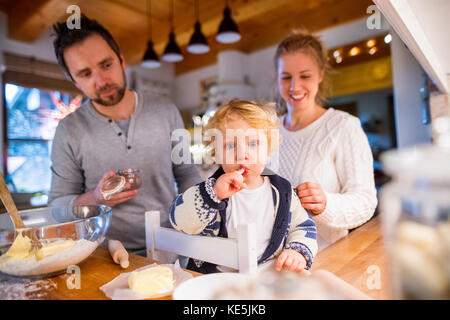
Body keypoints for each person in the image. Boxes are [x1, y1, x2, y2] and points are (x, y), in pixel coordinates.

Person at [49, 15, 201, 255]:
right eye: (85, 74)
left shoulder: (166, 110)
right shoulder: (69, 130)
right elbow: (58, 207)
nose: (101, 80)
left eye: (106, 65)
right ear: (75, 82)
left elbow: (187, 174)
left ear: (121, 61)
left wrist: (196, 220)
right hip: (103, 254)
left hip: (170, 246)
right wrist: (95, 197)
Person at [169, 100, 318, 274]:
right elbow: (179, 221)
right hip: (215, 283)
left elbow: (303, 227)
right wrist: (213, 195)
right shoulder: (210, 192)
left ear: (268, 150)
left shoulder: (283, 192)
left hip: (267, 278)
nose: (242, 154)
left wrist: (297, 252)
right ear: (216, 154)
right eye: (230, 145)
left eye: (253, 144)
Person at [272, 30, 378, 251]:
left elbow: (366, 202)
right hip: (270, 266)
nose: (294, 87)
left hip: (325, 262)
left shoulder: (343, 126)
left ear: (320, 74)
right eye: (286, 77)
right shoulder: (267, 130)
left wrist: (326, 204)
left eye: (305, 76)